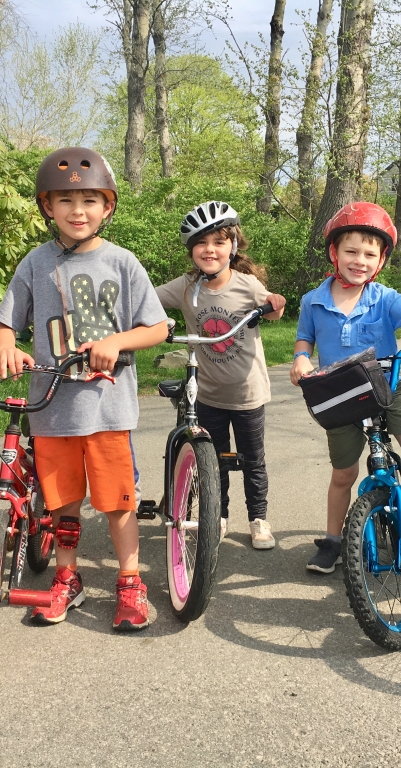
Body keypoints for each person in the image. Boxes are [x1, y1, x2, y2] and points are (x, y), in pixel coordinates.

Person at [0, 148, 168, 631]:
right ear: (47, 207)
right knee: (62, 503)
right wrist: (6, 346)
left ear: (107, 207)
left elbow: (156, 327)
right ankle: (67, 577)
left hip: (108, 409)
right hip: (52, 408)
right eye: (65, 200)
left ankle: (130, 581)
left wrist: (115, 341)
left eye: (89, 200)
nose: (77, 210)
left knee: (117, 502)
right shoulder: (35, 263)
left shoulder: (123, 262)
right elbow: (5, 322)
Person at [290, 202, 401, 572]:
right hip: (339, 393)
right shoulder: (312, 300)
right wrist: (301, 358)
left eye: (370, 254)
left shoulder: (384, 298)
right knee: (344, 474)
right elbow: (304, 338)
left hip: (386, 387)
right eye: (351, 251)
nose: (360, 260)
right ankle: (333, 540)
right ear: (333, 253)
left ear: (381, 260)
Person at [155, 202, 286, 549]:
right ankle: (218, 515)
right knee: (213, 462)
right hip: (208, 393)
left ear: (233, 246)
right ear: (192, 251)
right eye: (202, 243)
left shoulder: (246, 285)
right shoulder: (186, 287)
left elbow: (272, 311)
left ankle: (258, 518)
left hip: (247, 392)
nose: (210, 249)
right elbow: (148, 301)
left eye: (219, 241)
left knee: (252, 460)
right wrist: (156, 319)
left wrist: (274, 302)